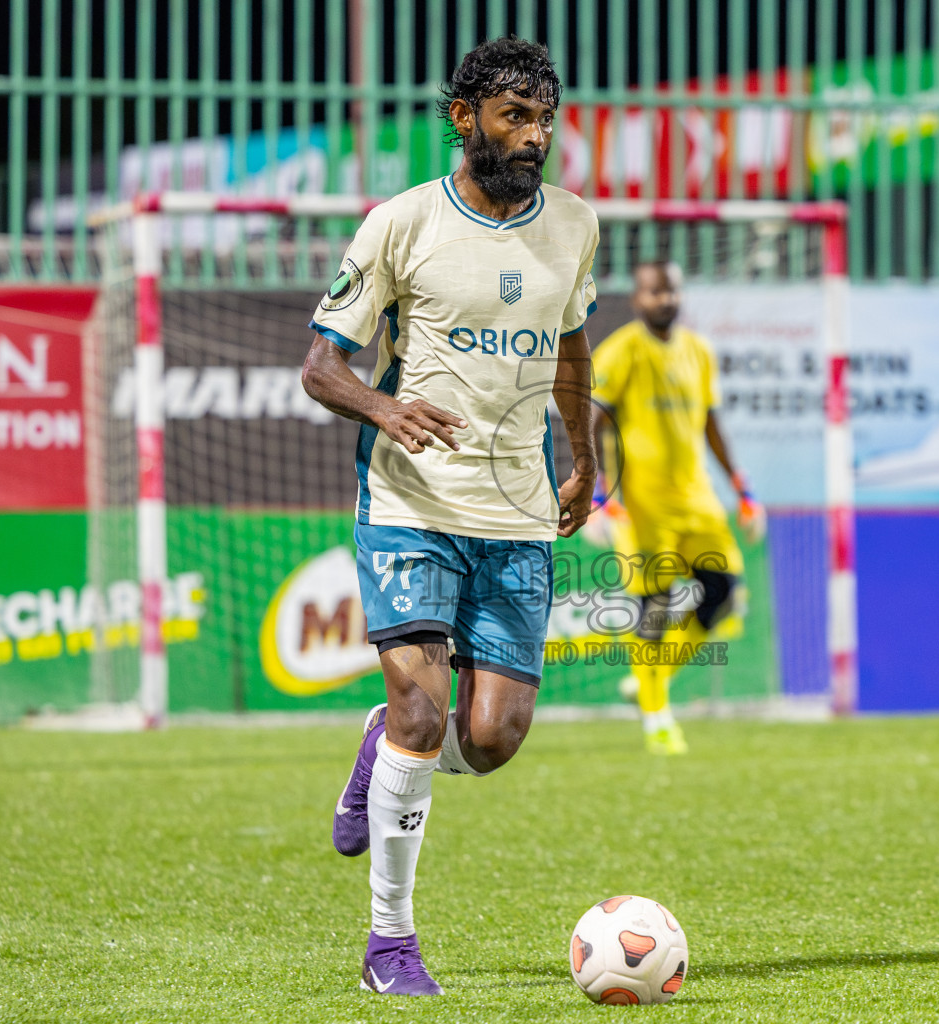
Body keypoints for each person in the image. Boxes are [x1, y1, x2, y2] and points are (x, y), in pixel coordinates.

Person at [300, 38, 598, 997]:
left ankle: (378, 746)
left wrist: (584, 453)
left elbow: (573, 346)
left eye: (545, 118)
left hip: (516, 515)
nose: (535, 136)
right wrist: (386, 407)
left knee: (495, 737)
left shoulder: (577, 226)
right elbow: (321, 366)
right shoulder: (401, 223)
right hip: (411, 506)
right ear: (464, 117)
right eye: (516, 116)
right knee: (423, 714)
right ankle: (390, 947)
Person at [589, 261, 764, 755]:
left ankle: (654, 679)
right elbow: (591, 416)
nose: (663, 299)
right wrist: (599, 493)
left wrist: (742, 488)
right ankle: (658, 717)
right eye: (653, 291)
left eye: (670, 290)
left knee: (725, 593)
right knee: (656, 607)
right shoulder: (622, 350)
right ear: (638, 298)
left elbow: (710, 422)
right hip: (644, 505)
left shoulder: (699, 351)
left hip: (698, 499)